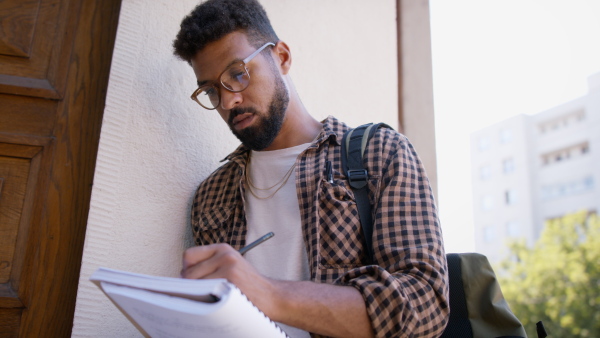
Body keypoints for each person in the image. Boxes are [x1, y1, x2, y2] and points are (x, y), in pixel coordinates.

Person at [173, 0, 449, 337]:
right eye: (211, 89)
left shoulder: (379, 153)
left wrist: (269, 294)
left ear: (282, 57)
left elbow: (425, 304)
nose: (228, 100)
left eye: (237, 73)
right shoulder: (211, 196)